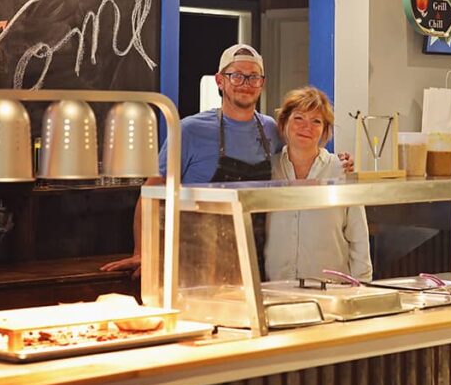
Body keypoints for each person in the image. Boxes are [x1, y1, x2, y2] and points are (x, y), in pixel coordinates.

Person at [101, 43, 349, 276]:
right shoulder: (189, 130)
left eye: (253, 77)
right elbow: (152, 192)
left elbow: (300, 158)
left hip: (256, 262)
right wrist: (143, 252)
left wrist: (336, 163)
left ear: (261, 84)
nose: (245, 83)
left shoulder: (272, 130)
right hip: (198, 262)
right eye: (236, 75)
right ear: (220, 81)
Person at [265, 86, 372, 281]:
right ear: (284, 122)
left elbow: (358, 237)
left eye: (316, 121)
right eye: (298, 118)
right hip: (277, 287)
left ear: (325, 130)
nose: (307, 127)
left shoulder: (341, 170)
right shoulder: (269, 170)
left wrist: (362, 285)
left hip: (332, 289)